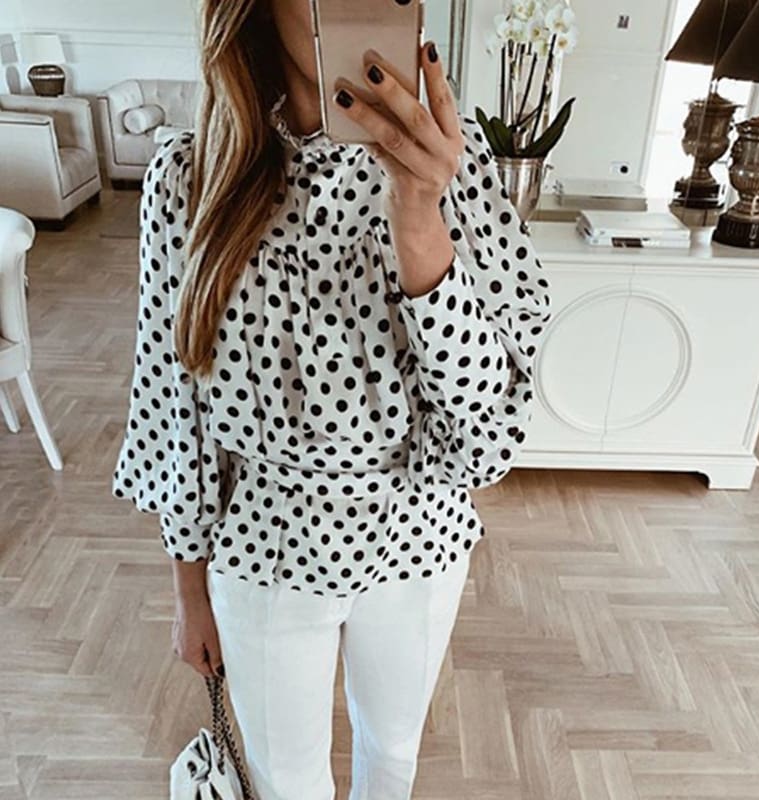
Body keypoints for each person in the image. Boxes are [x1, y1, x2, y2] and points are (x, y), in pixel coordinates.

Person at [111, 1, 552, 798]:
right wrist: (187, 591)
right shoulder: (189, 177)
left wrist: (419, 217)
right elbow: (172, 407)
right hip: (265, 540)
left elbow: (486, 433)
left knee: (394, 758)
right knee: (286, 782)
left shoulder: (458, 162)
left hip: (419, 524)